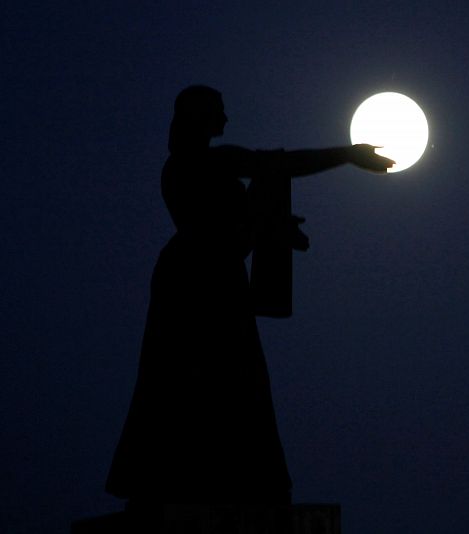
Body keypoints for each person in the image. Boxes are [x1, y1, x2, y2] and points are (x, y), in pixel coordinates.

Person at [105, 86, 394, 515]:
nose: (227, 119)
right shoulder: (200, 164)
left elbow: (239, 217)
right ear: (200, 117)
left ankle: (219, 481)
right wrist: (348, 155)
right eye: (219, 111)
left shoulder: (196, 166)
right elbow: (274, 170)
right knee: (194, 380)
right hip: (197, 282)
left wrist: (271, 227)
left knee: (222, 382)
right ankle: (187, 482)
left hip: (212, 279)